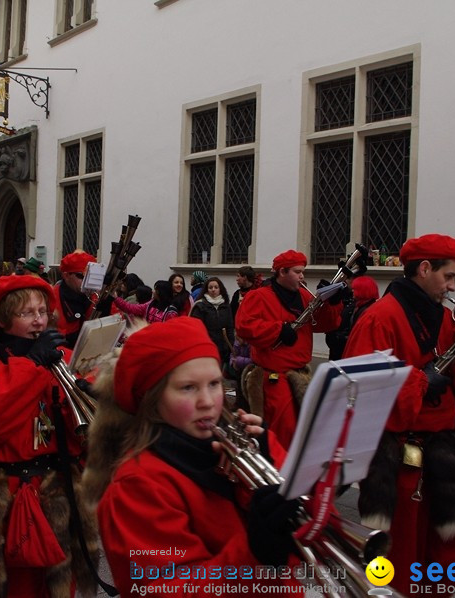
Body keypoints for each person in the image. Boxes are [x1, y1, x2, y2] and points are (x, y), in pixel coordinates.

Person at [83, 317, 300, 598]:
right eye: (188, 388)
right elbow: (163, 589)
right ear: (153, 399)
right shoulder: (136, 487)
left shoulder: (247, 440)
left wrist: (275, 463)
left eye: (214, 384)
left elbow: (311, 528)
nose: (208, 401)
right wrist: (254, 552)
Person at [342, 234, 455, 597]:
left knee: (451, 551)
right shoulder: (379, 318)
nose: (452, 286)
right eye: (448, 277)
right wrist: (416, 382)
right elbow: (358, 389)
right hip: (401, 455)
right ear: (424, 269)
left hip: (444, 447)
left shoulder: (445, 318)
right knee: (402, 555)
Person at [0, 275, 99, 597]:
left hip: (60, 486)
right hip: (9, 491)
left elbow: (84, 433)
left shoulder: (62, 359)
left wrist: (92, 395)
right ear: (3, 318)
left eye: (42, 311)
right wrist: (29, 364)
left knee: (62, 583)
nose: (39, 320)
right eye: (26, 313)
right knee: (19, 586)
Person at [235, 250, 344, 446]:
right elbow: (244, 326)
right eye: (297, 272)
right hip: (273, 377)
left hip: (300, 374)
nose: (302, 276)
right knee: (283, 430)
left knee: (306, 430)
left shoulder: (304, 296)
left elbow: (323, 324)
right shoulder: (259, 297)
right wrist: (278, 330)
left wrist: (333, 303)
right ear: (282, 272)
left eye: (302, 271)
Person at [324, 274, 380, 361]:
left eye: (355, 289)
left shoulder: (366, 311)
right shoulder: (359, 306)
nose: (353, 291)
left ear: (362, 291)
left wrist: (341, 338)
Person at [54, 251, 100, 347]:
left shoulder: (96, 296)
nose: (86, 281)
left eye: (90, 277)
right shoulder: (52, 297)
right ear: (66, 276)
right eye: (81, 276)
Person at [189, 276, 234, 363]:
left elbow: (230, 327)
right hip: (205, 347)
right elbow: (196, 329)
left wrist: (230, 345)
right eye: (210, 287)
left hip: (223, 349)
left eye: (216, 287)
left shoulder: (225, 306)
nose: (213, 290)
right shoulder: (200, 306)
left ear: (220, 289)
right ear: (206, 290)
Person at [112, 280, 179, 324]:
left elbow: (170, 330)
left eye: (155, 290)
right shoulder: (150, 304)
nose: (153, 292)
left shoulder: (170, 312)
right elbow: (131, 308)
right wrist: (116, 298)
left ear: (160, 292)